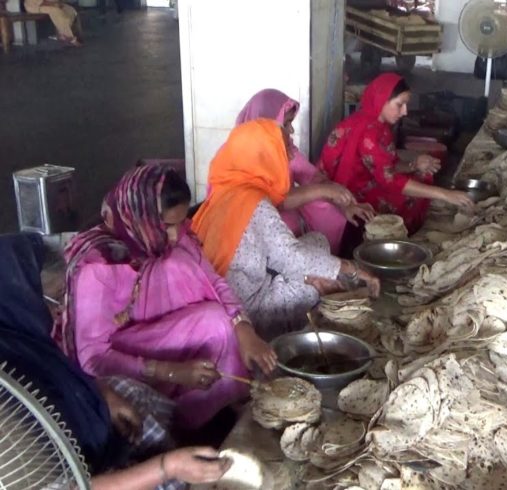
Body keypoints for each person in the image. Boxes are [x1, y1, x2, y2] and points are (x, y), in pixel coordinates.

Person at [0, 232, 231, 489]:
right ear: (23, 299)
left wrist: (104, 394)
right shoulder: (7, 412)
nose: (61, 310)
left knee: (132, 394)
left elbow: (60, 383)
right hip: (81, 477)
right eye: (55, 298)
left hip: (86, 444)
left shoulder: (19, 338)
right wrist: (167, 467)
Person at [55, 165, 276, 431]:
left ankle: (203, 413)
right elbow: (94, 358)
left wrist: (243, 327)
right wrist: (170, 371)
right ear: (140, 217)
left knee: (220, 320)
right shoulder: (100, 266)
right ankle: (176, 426)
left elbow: (214, 281)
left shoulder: (171, 236)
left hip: (161, 333)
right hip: (122, 353)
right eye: (167, 225)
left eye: (180, 223)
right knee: (214, 322)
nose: (175, 234)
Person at [191, 116, 381, 338]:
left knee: (317, 240)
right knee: (311, 287)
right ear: (264, 157)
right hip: (245, 310)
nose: (288, 157)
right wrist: (356, 270)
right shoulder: (253, 203)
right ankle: (284, 334)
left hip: (231, 291)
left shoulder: (228, 190)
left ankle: (315, 279)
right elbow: (292, 257)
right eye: (282, 151)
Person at [319, 72, 474, 234]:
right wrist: (445, 194)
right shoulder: (369, 133)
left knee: (423, 176)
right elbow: (390, 180)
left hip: (363, 180)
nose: (405, 112)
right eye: (400, 105)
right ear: (381, 100)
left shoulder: (374, 122)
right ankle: (399, 233)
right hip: (350, 193)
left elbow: (385, 165)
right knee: (411, 197)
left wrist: (414, 164)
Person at [235, 89, 375, 255]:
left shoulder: (286, 148)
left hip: (284, 219)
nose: (292, 131)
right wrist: (322, 190)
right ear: (265, 123)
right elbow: (269, 202)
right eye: (286, 124)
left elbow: (311, 176)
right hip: (251, 232)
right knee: (305, 210)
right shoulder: (239, 158)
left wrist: (345, 205)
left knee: (326, 207)